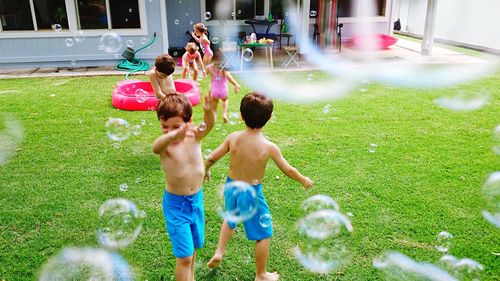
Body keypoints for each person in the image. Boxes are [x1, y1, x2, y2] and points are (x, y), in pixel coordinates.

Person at [204, 92, 314, 281]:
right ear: (269, 118)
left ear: (241, 115)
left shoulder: (233, 137)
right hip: (252, 193)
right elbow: (287, 169)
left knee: (230, 218)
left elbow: (213, 156)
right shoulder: (269, 147)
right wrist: (303, 179)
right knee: (263, 234)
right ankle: (261, 275)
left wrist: (206, 168)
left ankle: (220, 252)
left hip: (232, 187)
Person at [153, 92, 215, 281]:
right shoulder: (166, 146)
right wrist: (172, 135)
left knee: (193, 247)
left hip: (196, 201)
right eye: (165, 127)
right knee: (184, 256)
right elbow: (155, 147)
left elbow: (210, 125)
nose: (171, 131)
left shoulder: (194, 136)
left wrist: (209, 112)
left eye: (176, 126)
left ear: (188, 122)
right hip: (176, 206)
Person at [206, 58, 241, 123]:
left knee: (214, 109)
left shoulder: (209, 67)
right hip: (223, 90)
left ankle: (214, 119)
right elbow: (228, 76)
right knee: (225, 100)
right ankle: (224, 114)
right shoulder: (224, 69)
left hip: (214, 91)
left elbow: (206, 73)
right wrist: (235, 84)